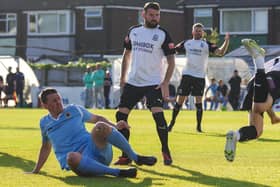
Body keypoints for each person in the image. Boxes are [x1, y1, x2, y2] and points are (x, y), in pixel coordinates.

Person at [26, 88, 157, 177]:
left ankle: (136, 157)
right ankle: (118, 173)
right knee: (71, 157)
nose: (58, 102)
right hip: (80, 162)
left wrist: (115, 125)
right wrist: (36, 170)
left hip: (96, 149)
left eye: (59, 99)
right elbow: (45, 146)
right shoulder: (44, 123)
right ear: (45, 105)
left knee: (100, 126)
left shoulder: (74, 110)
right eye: (54, 101)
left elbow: (97, 118)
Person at [114, 2, 175, 166]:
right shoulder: (134, 31)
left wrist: (165, 81)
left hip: (153, 83)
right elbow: (126, 55)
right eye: (151, 15)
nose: (155, 18)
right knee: (121, 116)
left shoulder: (162, 34)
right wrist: (122, 78)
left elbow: (171, 60)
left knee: (158, 116)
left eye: (157, 15)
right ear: (144, 15)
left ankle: (165, 150)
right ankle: (125, 154)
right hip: (133, 82)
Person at [224, 39, 280, 162]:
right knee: (260, 107)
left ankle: (236, 135)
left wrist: (273, 116)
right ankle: (258, 59)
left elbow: (267, 95)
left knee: (257, 130)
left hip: (254, 81)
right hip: (273, 76)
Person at [168, 23, 230, 132]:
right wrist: (167, 46)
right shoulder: (187, 43)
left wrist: (226, 41)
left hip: (199, 77)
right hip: (187, 75)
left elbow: (220, 53)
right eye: (196, 30)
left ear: (203, 33)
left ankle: (198, 127)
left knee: (198, 102)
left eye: (200, 31)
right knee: (180, 101)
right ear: (192, 32)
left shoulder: (207, 44)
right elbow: (173, 50)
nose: (198, 32)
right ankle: (171, 124)